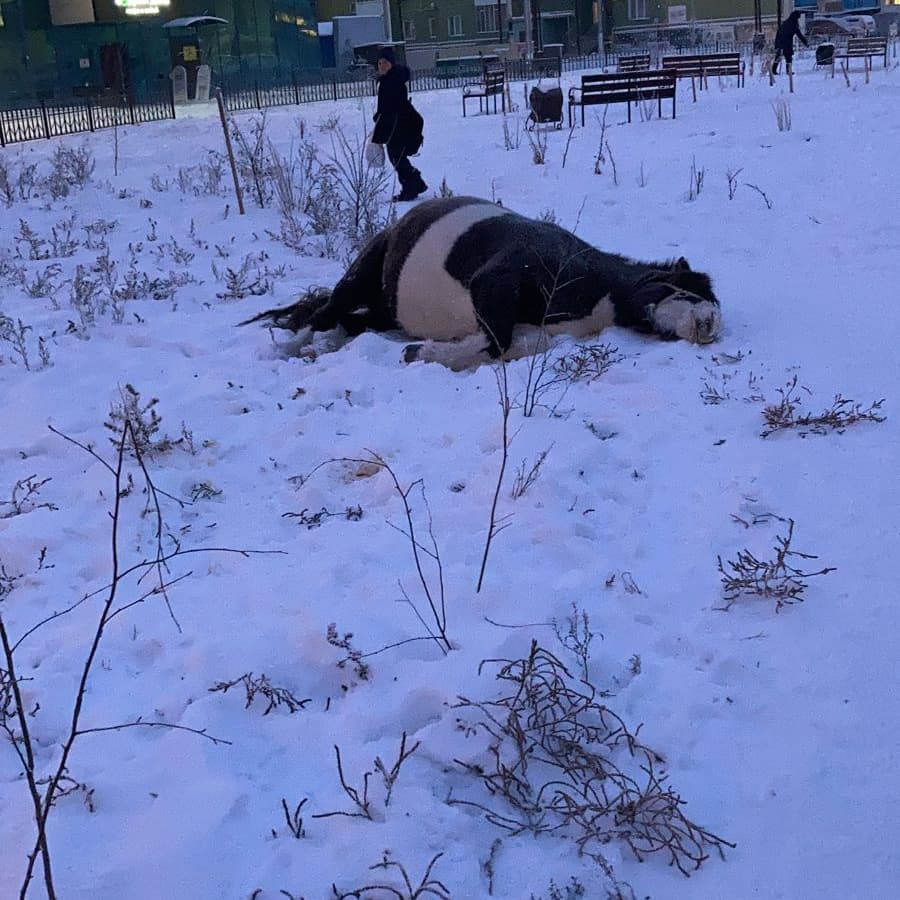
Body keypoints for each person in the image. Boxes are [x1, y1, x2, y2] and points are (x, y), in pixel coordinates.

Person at [372, 46, 427, 202]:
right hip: (399, 123)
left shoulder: (391, 80)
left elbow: (391, 106)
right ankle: (415, 183)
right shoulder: (392, 78)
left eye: (385, 62)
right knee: (398, 157)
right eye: (379, 63)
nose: (382, 66)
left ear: (391, 63)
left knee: (397, 157)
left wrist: (380, 118)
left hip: (399, 125)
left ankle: (412, 186)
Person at [772, 10, 808, 75]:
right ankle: (788, 71)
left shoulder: (785, 23)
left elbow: (778, 32)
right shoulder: (793, 25)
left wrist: (777, 43)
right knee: (788, 57)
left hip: (780, 41)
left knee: (778, 57)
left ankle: (773, 70)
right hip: (787, 43)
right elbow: (799, 35)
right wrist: (805, 42)